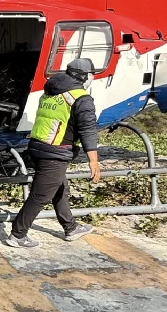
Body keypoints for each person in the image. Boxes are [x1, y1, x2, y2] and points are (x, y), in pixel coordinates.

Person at [7, 56, 101, 249]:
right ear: (83, 76)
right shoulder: (81, 98)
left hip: (39, 146)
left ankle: (71, 227)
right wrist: (94, 161)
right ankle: (17, 235)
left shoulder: (51, 91)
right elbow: (88, 130)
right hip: (55, 153)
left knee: (60, 188)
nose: (92, 77)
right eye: (91, 74)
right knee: (40, 196)